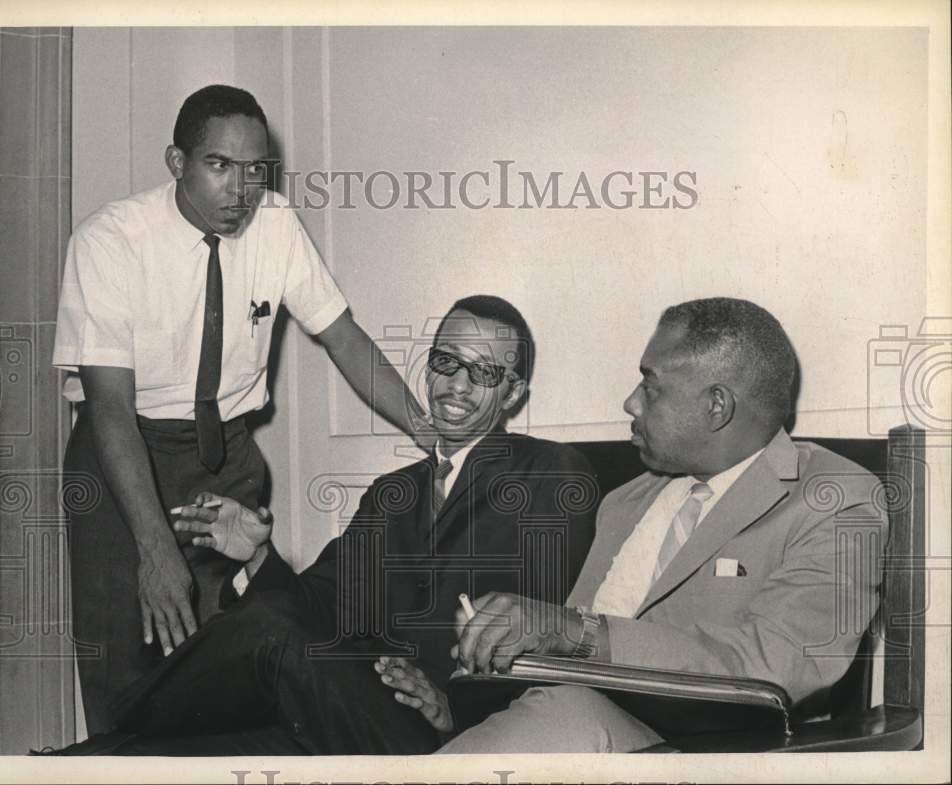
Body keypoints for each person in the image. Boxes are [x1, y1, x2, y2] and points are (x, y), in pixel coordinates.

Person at [56, 294, 597, 756]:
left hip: (434, 729)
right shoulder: (393, 493)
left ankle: (124, 714)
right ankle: (82, 754)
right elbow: (316, 607)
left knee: (269, 627)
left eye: (484, 373)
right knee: (139, 762)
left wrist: (452, 703)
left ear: (514, 393)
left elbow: (538, 616)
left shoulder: (550, 472)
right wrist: (257, 557)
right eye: (446, 362)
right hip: (342, 700)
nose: (456, 385)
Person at [51, 85, 435, 733]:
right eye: (218, 165)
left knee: (229, 657)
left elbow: (343, 337)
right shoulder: (108, 240)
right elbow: (110, 405)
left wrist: (430, 432)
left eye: (256, 169)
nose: (241, 189)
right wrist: (154, 546)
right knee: (127, 669)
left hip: (224, 455)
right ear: (177, 162)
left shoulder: (277, 224)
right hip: (124, 454)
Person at [380, 297, 888, 753]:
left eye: (651, 386)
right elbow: (558, 675)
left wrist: (570, 630)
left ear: (717, 405)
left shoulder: (834, 498)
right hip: (565, 728)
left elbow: (775, 663)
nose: (630, 402)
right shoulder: (628, 502)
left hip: (707, 753)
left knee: (567, 715)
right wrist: (464, 712)